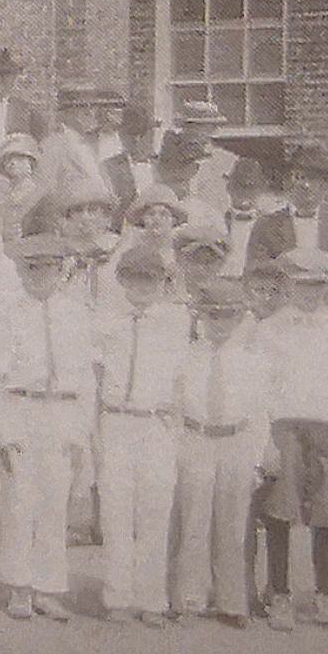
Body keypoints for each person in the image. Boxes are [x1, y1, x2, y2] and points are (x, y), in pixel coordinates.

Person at [255, 248, 328, 628]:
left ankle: (323, 596)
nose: (309, 294)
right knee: (281, 508)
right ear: (288, 285)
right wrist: (267, 437)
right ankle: (280, 594)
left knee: (326, 512)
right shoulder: (270, 328)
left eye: (318, 287)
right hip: (284, 427)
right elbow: (259, 383)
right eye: (302, 286)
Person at [0, 233, 97, 621]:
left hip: (62, 414)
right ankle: (19, 586)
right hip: (22, 407)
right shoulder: (9, 314)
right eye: (32, 267)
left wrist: (80, 431)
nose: (41, 275)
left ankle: (48, 587)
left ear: (61, 270)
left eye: (50, 267)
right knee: (19, 503)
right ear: (20, 271)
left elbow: (86, 378)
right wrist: (5, 430)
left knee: (55, 505)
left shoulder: (76, 314)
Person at [93, 242, 190, 625]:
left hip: (156, 422)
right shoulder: (106, 321)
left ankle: (152, 600)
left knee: (155, 509)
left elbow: (181, 378)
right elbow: (96, 374)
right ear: (122, 280)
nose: (142, 286)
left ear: (162, 282)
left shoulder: (175, 321)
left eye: (151, 280)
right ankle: (117, 597)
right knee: (116, 509)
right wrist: (95, 426)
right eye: (134, 278)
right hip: (117, 419)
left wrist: (175, 426)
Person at [170, 277, 270, 628]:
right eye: (213, 317)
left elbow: (260, 413)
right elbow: (175, 408)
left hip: (236, 441)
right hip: (197, 439)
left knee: (233, 522)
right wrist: (177, 449)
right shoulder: (185, 357)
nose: (220, 325)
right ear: (200, 318)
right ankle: (189, 599)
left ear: (240, 318)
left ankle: (232, 601)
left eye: (228, 317)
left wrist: (256, 460)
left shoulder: (251, 360)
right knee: (194, 520)